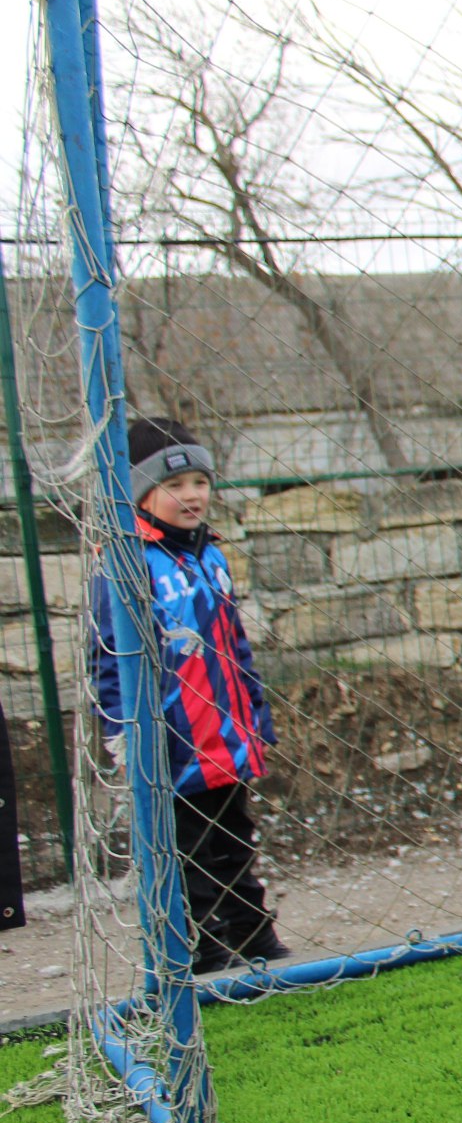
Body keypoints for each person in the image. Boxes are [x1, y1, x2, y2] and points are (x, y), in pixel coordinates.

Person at [90, 418, 287, 976]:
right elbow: (109, 656)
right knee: (188, 847)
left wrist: (255, 715)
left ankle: (254, 935)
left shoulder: (212, 557)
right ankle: (204, 948)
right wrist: (121, 730)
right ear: (142, 494)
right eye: (175, 486)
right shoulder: (128, 564)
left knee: (236, 838)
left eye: (200, 482)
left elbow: (236, 646)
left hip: (224, 734)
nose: (192, 496)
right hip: (174, 740)